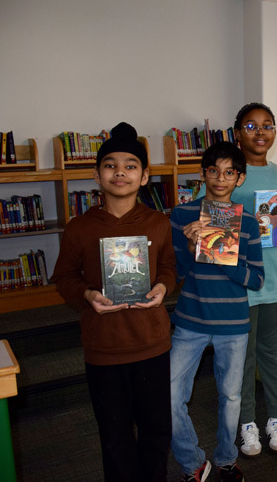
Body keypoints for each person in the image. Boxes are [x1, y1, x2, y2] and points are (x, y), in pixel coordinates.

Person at [52, 122, 177, 481]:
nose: (120, 172)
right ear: (96, 174)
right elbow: (64, 279)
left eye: (130, 165)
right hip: (103, 347)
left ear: (144, 176)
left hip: (151, 343)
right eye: (110, 165)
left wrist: (163, 289)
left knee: (156, 433)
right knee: (114, 437)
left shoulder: (157, 223)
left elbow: (169, 267)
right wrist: (87, 295)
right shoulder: (79, 227)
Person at [169, 141, 265, 482]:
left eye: (229, 173)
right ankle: (192, 462)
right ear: (202, 173)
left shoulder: (250, 221)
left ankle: (226, 458)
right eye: (213, 171)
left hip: (233, 324)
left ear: (239, 178)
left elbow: (256, 279)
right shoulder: (182, 214)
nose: (220, 179)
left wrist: (226, 255)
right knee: (171, 395)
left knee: (231, 397)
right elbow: (176, 274)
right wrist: (189, 243)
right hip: (190, 319)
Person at [225, 102, 277, 457]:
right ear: (237, 132)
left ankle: (276, 419)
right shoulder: (228, 176)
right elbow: (209, 228)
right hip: (240, 283)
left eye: (267, 125)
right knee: (243, 357)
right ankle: (247, 425)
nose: (260, 132)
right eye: (251, 126)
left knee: (274, 353)